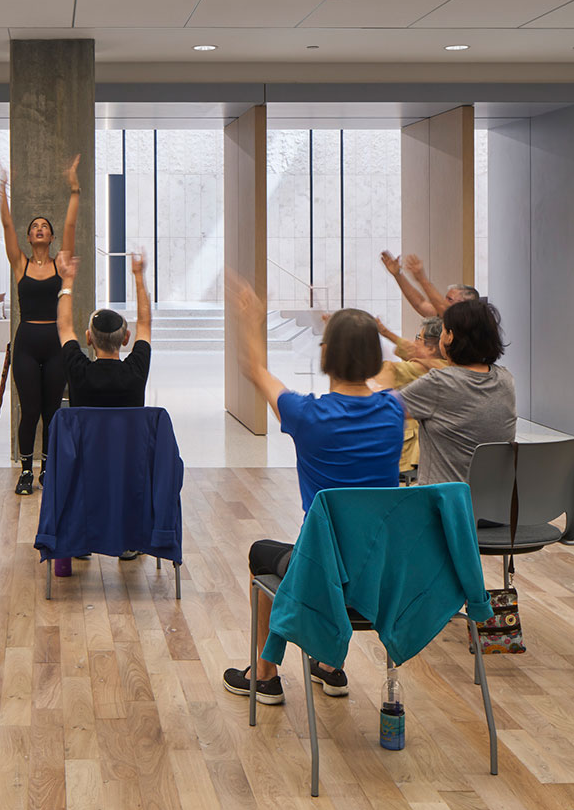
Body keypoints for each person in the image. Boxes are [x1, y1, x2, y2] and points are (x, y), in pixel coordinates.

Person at [221, 278, 404, 705]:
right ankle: (329, 665)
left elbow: (256, 371)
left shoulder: (306, 414)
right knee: (343, 549)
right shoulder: (395, 410)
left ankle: (264, 674)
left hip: (321, 572)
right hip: (380, 577)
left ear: (325, 356)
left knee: (261, 554)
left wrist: (252, 320)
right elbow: (393, 378)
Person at [0, 156, 81, 495]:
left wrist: (74, 189)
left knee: (51, 411)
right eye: (34, 226)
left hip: (56, 341)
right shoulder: (20, 263)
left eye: (44, 226)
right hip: (28, 342)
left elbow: (71, 228)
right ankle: (25, 471)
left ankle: (48, 468)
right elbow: (5, 226)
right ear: (29, 237)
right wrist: (3, 188)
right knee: (29, 410)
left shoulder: (61, 263)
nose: (39, 228)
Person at [396, 299, 516, 488]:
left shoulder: (439, 383)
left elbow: (383, 409)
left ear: (450, 337)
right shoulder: (505, 380)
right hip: (494, 506)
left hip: (444, 508)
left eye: (443, 330)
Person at [56, 249, 152, 408]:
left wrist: (67, 280)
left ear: (88, 338)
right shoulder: (136, 371)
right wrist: (139, 276)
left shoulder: (78, 371)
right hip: (126, 434)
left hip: (87, 435)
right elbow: (145, 324)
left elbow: (64, 326)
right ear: (126, 338)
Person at [373, 316, 447, 479]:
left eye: (418, 338)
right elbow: (409, 350)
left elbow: (386, 370)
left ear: (432, 347)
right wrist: (385, 332)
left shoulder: (417, 369)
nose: (414, 343)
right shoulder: (452, 368)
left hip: (412, 454)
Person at [381, 250, 478, 319]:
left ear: (465, 306)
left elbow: (443, 307)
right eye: (445, 298)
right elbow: (420, 304)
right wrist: (398, 275)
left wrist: (422, 279)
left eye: (450, 300)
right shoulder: (442, 315)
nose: (443, 301)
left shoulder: (467, 323)